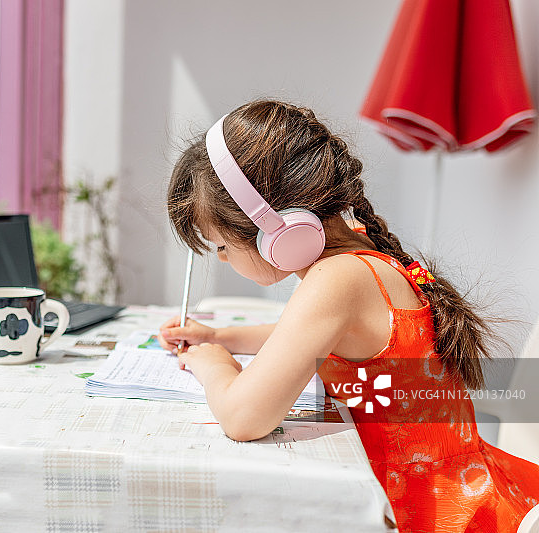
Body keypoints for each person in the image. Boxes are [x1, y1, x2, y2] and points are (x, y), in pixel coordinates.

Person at [158, 100, 539, 532]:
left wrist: (215, 366)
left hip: (430, 510)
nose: (223, 261)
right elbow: (301, 338)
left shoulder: (337, 279)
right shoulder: (358, 254)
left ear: (277, 230)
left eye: (222, 247)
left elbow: (244, 419)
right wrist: (220, 335)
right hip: (459, 484)